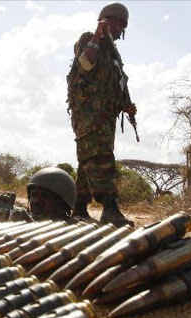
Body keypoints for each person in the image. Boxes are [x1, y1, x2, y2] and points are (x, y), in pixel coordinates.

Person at [66, 3, 136, 227]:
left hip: (105, 115)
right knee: (101, 157)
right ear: (102, 21)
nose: (116, 27)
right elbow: (85, 65)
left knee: (89, 159)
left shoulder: (115, 56)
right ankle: (110, 208)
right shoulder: (88, 40)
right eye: (112, 22)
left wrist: (126, 105)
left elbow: (117, 85)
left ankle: (78, 207)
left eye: (120, 24)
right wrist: (97, 36)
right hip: (88, 111)